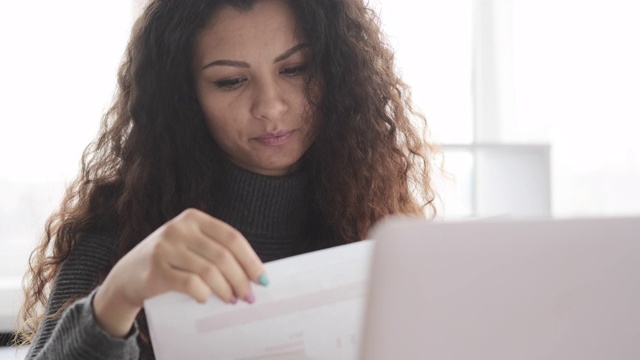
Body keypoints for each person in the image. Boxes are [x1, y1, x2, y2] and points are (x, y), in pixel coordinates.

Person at [17, 0, 437, 358]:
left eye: (295, 68)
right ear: (185, 97)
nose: (270, 107)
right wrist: (117, 298)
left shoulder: (379, 218)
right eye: (231, 81)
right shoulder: (120, 226)